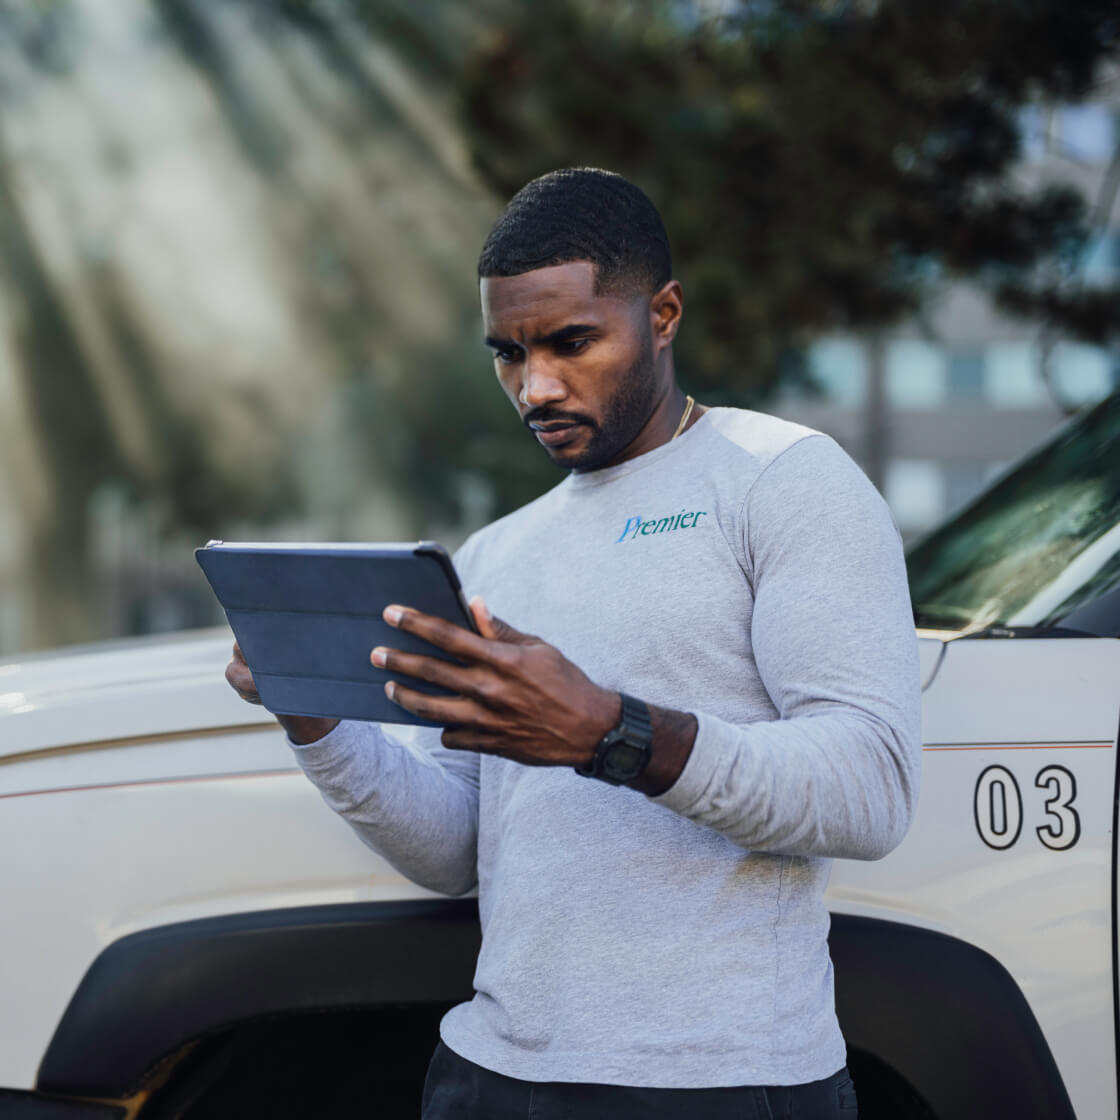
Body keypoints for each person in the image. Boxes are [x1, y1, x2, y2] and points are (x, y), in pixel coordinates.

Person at [226, 167, 921, 1119]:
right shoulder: (496, 554)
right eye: (507, 353)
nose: (535, 386)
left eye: (570, 342)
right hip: (491, 1075)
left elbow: (870, 790)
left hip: (718, 1084)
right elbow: (456, 852)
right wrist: (310, 714)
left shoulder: (782, 481)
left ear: (664, 314)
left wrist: (611, 731)